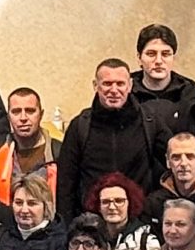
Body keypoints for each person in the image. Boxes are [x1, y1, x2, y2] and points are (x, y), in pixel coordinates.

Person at [55, 59, 162, 216]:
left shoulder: (150, 123)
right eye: (107, 84)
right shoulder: (80, 126)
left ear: (130, 86)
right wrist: (67, 223)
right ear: (95, 86)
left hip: (139, 220)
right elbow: (66, 182)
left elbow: (165, 173)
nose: (114, 90)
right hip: (91, 221)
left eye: (120, 84)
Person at [129, 25, 195, 146]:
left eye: (165, 54)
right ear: (139, 58)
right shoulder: (125, 94)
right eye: (151, 54)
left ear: (174, 58)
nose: (158, 61)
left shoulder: (191, 97)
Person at [0, 87, 58, 205]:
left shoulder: (59, 153)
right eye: (16, 112)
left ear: (41, 115)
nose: (23, 118)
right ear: (8, 117)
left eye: (30, 111)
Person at [0, 175, 66, 250]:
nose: (24, 210)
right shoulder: (3, 237)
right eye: (19, 203)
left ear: (46, 206)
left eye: (32, 203)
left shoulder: (59, 242)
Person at [94, 175, 159, 250]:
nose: (112, 207)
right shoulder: (92, 239)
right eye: (105, 202)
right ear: (99, 206)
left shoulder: (146, 242)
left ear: (130, 203)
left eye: (119, 201)